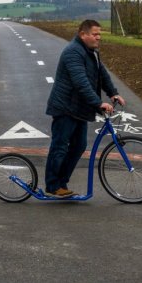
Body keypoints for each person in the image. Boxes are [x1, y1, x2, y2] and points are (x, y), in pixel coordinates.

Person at [44, 19, 126, 198]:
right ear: (83, 34)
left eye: (100, 35)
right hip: (65, 107)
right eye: (95, 34)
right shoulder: (73, 52)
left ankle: (61, 184)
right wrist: (98, 103)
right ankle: (52, 185)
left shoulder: (91, 52)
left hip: (78, 108)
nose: (99, 38)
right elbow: (80, 82)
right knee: (60, 147)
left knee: (79, 146)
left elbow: (101, 73)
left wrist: (113, 93)